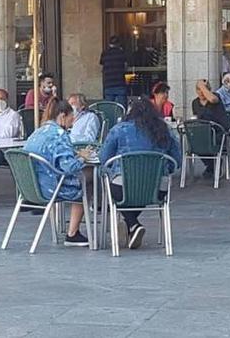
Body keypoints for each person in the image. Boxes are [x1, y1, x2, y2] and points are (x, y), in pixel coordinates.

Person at [99, 97, 181, 249]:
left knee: (118, 190)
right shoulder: (165, 130)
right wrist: (166, 170)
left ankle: (132, 224)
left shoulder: (119, 129)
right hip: (157, 187)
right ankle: (131, 226)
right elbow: (177, 160)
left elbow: (104, 158)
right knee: (141, 190)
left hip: (124, 185)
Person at [23, 98, 93, 247]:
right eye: (71, 118)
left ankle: (64, 230)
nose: (72, 123)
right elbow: (69, 167)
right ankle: (73, 233)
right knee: (88, 181)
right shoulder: (60, 135)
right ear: (62, 116)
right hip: (51, 188)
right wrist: (81, 158)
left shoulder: (38, 132)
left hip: (31, 188)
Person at [191, 79, 229, 178]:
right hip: (204, 133)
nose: (202, 92)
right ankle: (212, 165)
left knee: (209, 141)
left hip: (219, 133)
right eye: (199, 89)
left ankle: (213, 166)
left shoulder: (216, 97)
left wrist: (202, 86)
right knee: (194, 143)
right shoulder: (195, 103)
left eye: (204, 89)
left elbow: (212, 99)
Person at [100, 36, 128, 106]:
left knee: (109, 108)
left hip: (108, 84)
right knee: (122, 108)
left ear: (109, 44)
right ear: (118, 43)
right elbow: (126, 66)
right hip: (120, 83)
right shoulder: (122, 53)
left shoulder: (105, 53)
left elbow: (102, 65)